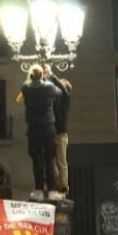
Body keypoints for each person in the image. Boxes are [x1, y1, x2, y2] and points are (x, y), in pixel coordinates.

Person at [21, 64, 62, 201]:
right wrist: (49, 77)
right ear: (42, 75)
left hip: (33, 128)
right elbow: (60, 92)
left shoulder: (26, 88)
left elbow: (26, 85)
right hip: (48, 127)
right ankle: (51, 190)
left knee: (37, 160)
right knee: (49, 159)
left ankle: (39, 190)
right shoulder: (48, 87)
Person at [43, 64, 73, 198]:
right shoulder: (53, 101)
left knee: (61, 162)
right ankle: (55, 185)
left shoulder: (66, 99)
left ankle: (63, 188)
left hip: (61, 134)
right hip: (51, 134)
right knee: (50, 161)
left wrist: (52, 76)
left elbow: (62, 89)